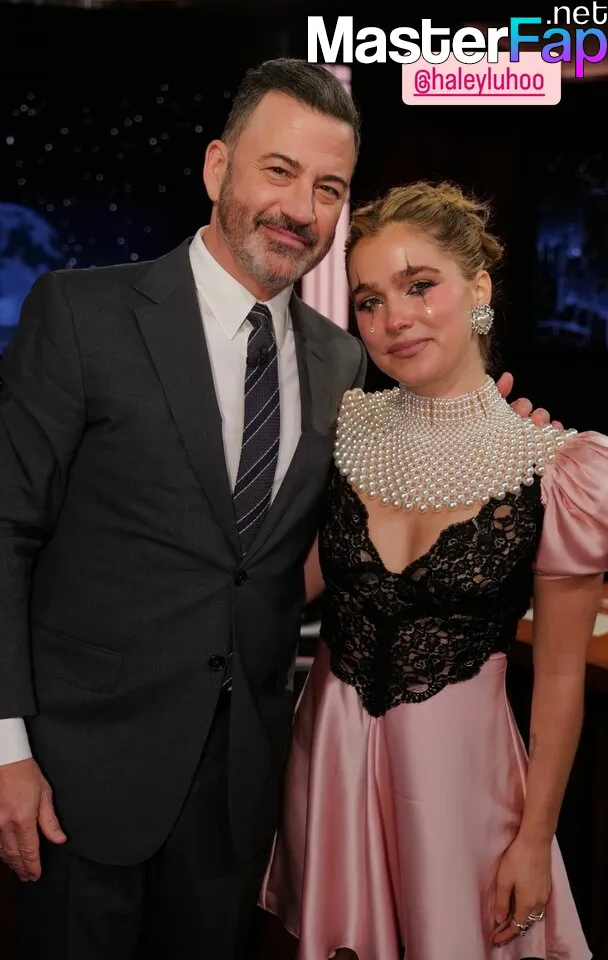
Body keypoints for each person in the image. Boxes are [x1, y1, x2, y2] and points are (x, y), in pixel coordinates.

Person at [0, 58, 550, 959]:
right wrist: (5, 749)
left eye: (328, 188)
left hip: (244, 795)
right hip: (79, 777)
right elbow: (7, 529)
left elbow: (335, 529)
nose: (301, 208)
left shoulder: (343, 363)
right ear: (219, 167)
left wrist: (502, 439)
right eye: (280, 171)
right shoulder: (80, 314)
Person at [260, 181, 607, 960]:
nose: (395, 319)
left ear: (478, 288)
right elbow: (280, 581)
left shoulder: (558, 468)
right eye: (370, 301)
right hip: (330, 763)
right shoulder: (339, 424)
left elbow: (558, 680)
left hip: (461, 786)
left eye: (419, 285)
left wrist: (534, 839)